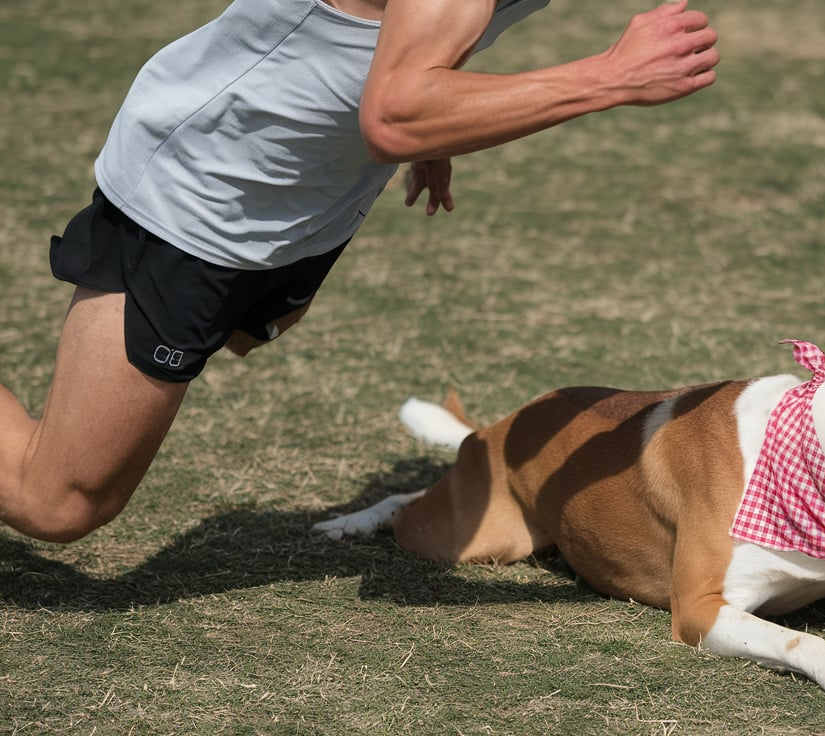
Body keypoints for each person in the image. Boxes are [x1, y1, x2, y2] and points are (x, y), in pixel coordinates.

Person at [0, 0, 719, 543]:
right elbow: (395, 113)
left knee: (229, 345)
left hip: (304, 191)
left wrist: (446, 112)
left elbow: (413, 46)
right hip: (203, 194)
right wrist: (611, 76)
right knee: (58, 501)